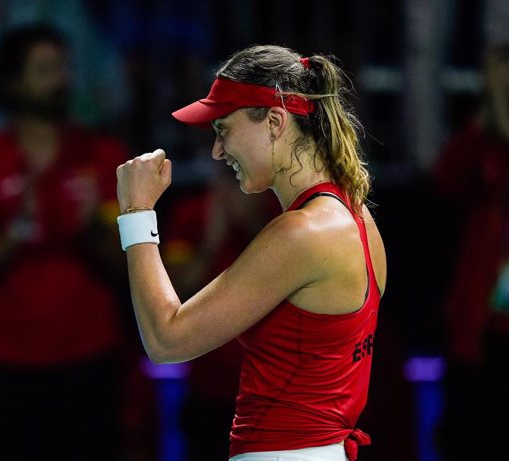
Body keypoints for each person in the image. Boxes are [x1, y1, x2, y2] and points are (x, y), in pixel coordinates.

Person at [115, 45, 387, 461]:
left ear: (275, 122)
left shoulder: (303, 233)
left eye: (223, 129)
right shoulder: (355, 215)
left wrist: (137, 213)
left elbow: (165, 341)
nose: (217, 151)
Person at [0, 23, 128, 461]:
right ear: (12, 82)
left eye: (64, 68)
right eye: (45, 69)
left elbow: (134, 269)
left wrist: (92, 229)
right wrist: (18, 228)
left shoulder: (105, 159)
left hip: (89, 363)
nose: (62, 79)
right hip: (3, 366)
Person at [162, 165, 279, 461]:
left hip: (272, 396)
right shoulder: (192, 213)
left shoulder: (283, 216)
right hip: (208, 392)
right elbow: (176, 290)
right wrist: (214, 237)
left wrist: (254, 228)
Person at [433, 43, 509, 460]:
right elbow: (447, 180)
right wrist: (492, 108)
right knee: (471, 437)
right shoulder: (484, 144)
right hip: (482, 331)